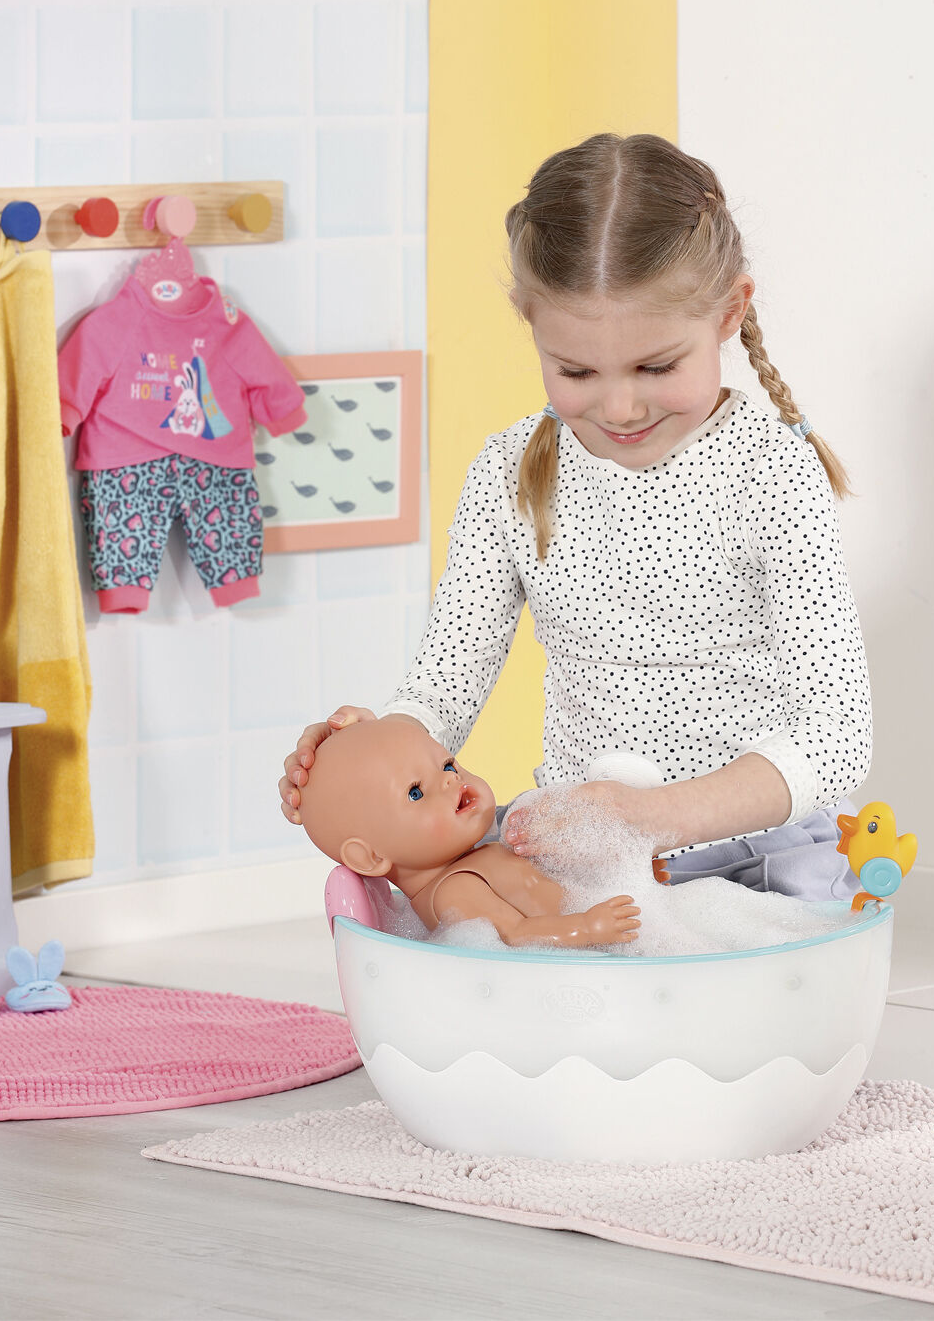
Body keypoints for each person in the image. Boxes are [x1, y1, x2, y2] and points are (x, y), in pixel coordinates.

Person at [280, 133, 871, 901]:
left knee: (723, 994)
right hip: (578, 848)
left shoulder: (770, 474)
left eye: (657, 366)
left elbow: (837, 738)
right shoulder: (509, 472)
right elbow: (445, 684)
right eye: (576, 370)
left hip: (759, 853)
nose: (620, 407)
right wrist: (375, 756)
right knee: (470, 926)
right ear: (531, 325)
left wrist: (649, 817)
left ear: (730, 313)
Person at [297, 714, 643, 947]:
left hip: (623, 922)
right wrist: (587, 927)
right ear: (370, 857)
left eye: (448, 764)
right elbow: (516, 936)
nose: (451, 779)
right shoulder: (454, 890)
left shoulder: (479, 854)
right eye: (416, 792)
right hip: (594, 952)